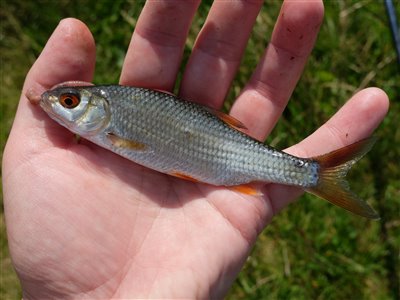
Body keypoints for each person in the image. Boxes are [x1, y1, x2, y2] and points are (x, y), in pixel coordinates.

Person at [2, 1, 389, 298]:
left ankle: (315, 174)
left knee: (298, 167)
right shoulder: (110, 122)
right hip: (209, 163)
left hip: (218, 159)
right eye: (69, 102)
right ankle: (314, 175)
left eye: (70, 103)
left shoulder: (114, 121)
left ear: (98, 109)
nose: (59, 105)